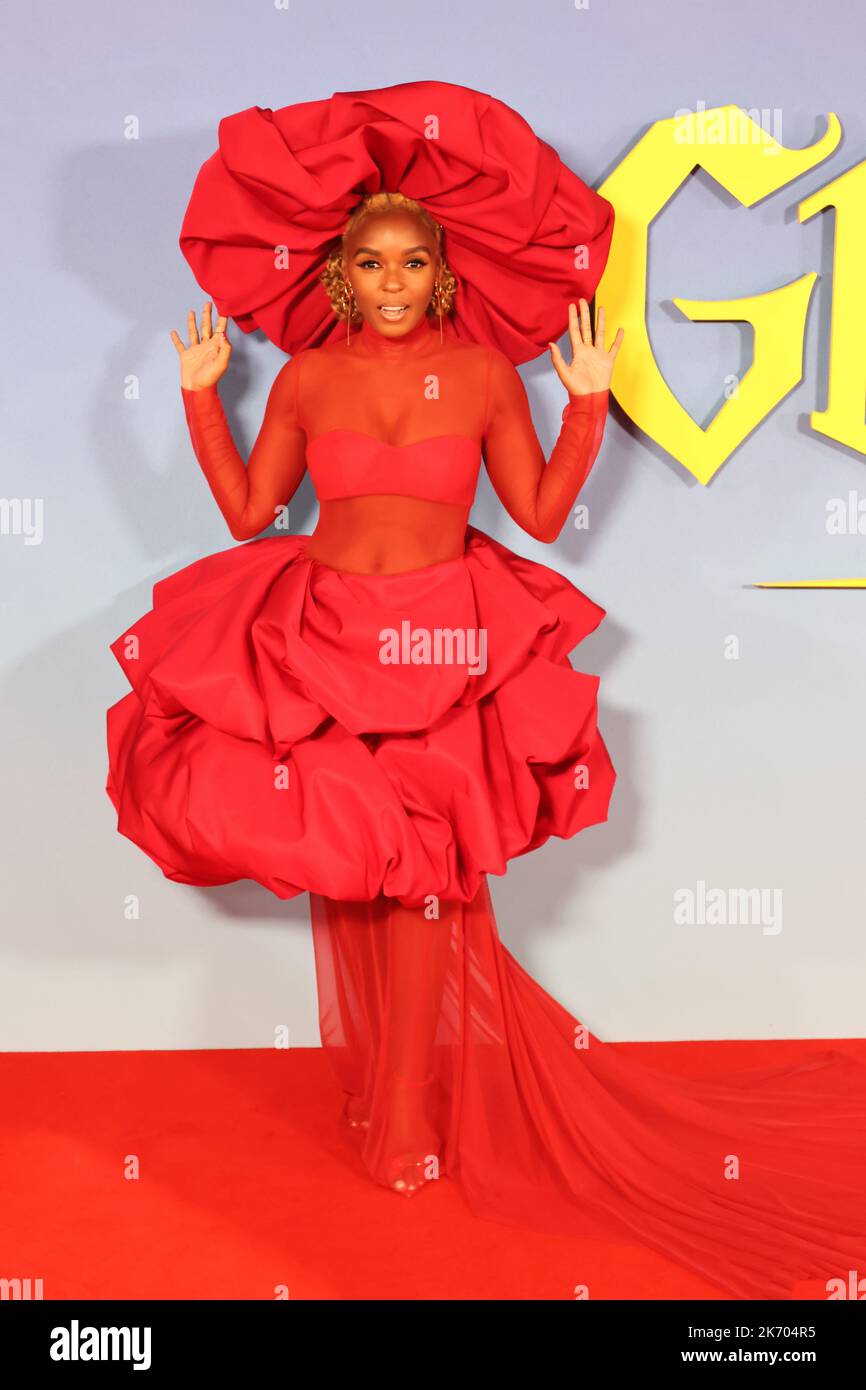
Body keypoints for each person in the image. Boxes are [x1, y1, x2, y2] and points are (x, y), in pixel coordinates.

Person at [106, 84, 866, 1301]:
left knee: (424, 884)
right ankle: (379, 1091)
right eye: (371, 260)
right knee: (363, 867)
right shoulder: (300, 377)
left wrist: (586, 403)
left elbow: (544, 517)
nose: (395, 278)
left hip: (448, 641)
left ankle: (402, 1112)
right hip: (322, 638)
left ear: (441, 271)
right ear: (341, 272)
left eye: (415, 259)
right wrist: (200, 394)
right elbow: (254, 515)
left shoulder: (479, 375)